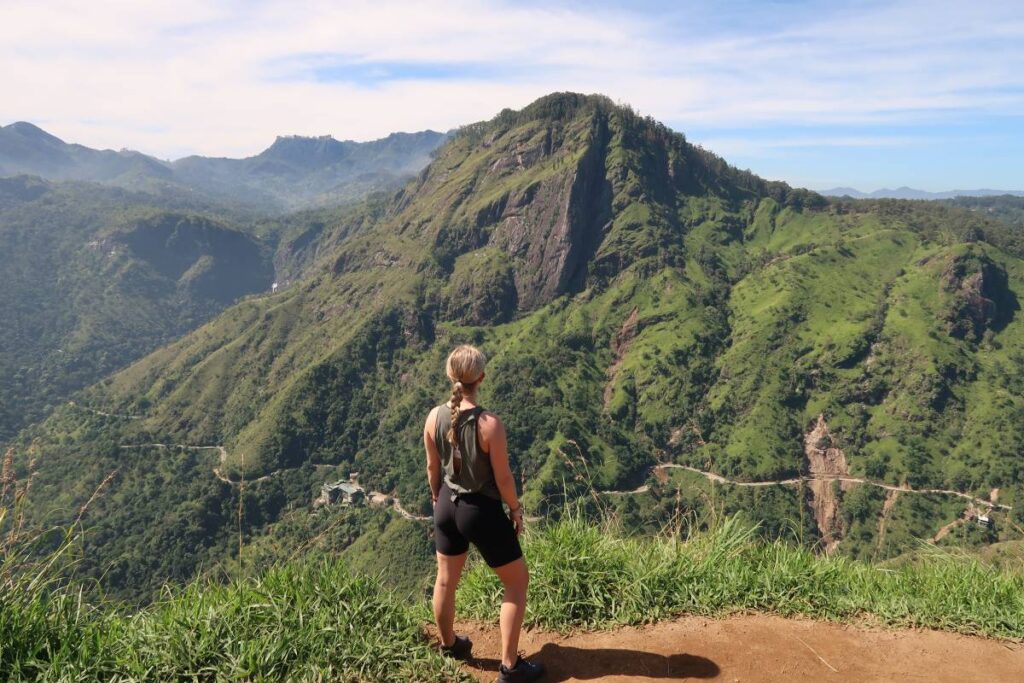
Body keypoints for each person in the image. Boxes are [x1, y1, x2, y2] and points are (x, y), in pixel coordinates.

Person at [423, 345, 544, 683]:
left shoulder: (434, 417)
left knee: (446, 579)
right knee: (517, 581)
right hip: (481, 511)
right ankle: (510, 667)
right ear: (482, 378)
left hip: (447, 505)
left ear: (451, 377)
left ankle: (449, 645)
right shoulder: (490, 424)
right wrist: (516, 509)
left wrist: (437, 496)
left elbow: (433, 466)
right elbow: (503, 478)